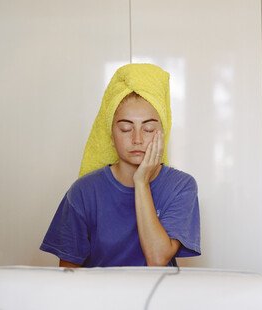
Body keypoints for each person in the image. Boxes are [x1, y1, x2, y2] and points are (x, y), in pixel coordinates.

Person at [40, 63, 200, 267]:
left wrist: (141, 182)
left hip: (157, 297)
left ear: (163, 132)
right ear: (111, 134)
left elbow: (157, 258)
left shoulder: (181, 186)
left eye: (149, 129)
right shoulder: (83, 191)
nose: (137, 139)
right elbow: (68, 275)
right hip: (98, 298)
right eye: (125, 129)